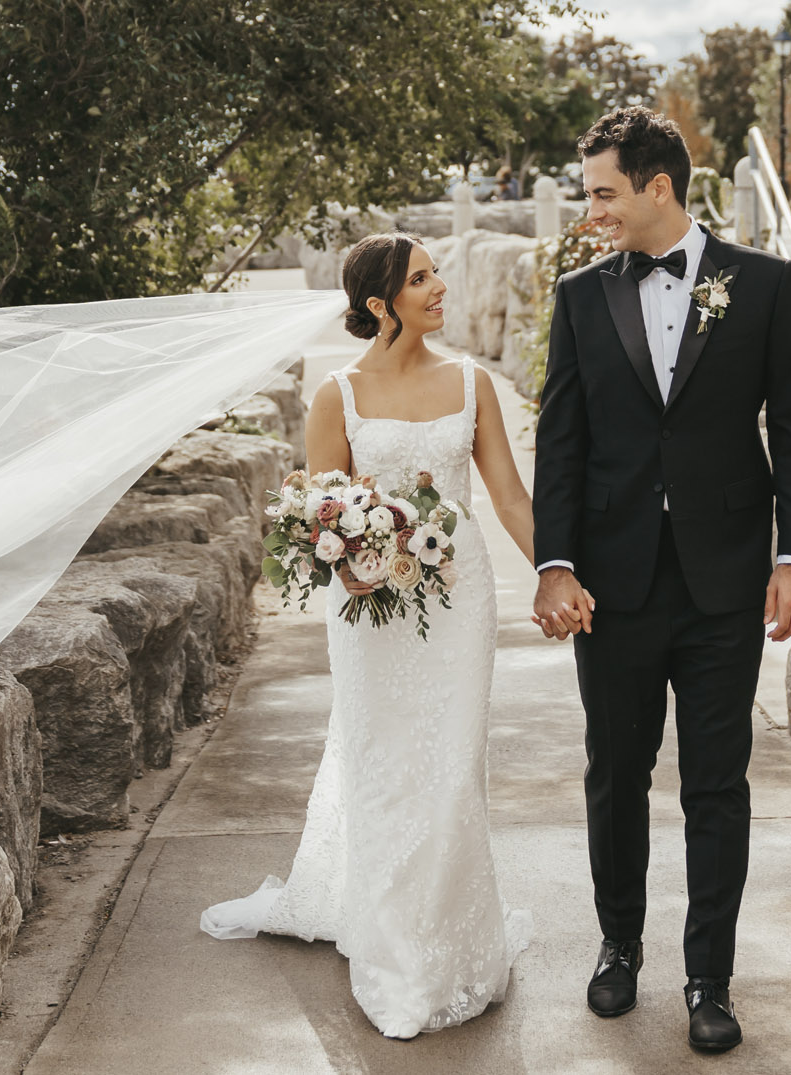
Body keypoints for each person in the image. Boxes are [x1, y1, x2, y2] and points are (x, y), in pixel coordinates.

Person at [199, 233, 562, 1040]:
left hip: (459, 598)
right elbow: (319, 514)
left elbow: (506, 495)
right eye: (422, 278)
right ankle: (395, 950)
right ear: (378, 303)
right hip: (370, 611)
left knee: (454, 765)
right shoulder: (339, 394)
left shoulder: (473, 382)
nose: (441, 288)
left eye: (438, 274)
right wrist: (353, 565)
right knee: (385, 765)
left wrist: (557, 572)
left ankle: (454, 945)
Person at [530, 106, 791, 1054]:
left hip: (725, 582)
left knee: (717, 782)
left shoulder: (767, 285)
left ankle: (710, 976)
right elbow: (562, 438)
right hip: (610, 585)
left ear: (659, 186)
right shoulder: (580, 296)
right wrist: (554, 561)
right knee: (615, 775)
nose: (594, 214)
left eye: (605, 194)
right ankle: (619, 945)